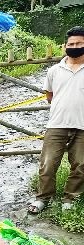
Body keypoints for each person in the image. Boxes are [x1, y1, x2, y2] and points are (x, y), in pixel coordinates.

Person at [29, 26, 84, 214]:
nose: (74, 46)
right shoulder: (54, 70)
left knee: (80, 164)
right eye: (71, 44)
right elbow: (50, 96)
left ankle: (71, 198)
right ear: (65, 46)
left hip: (83, 126)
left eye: (79, 43)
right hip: (57, 124)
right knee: (48, 163)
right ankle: (43, 198)